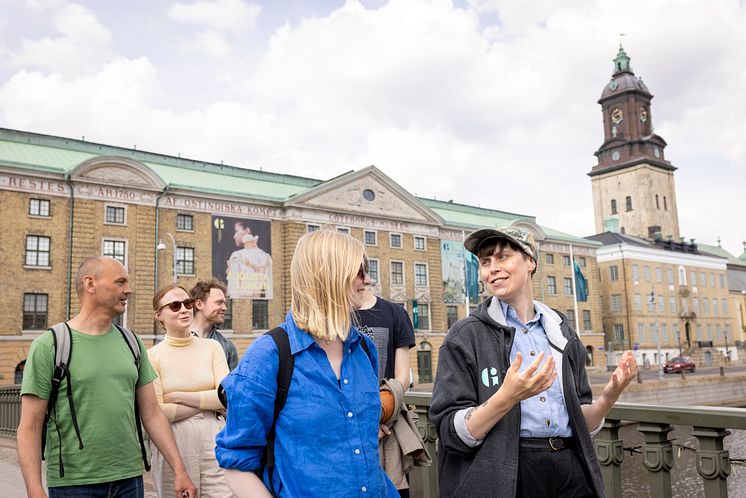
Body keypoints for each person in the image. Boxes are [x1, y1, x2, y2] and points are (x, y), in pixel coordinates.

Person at [430, 226, 638, 498]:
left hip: (569, 470)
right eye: (485, 262)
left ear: (530, 262)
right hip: (507, 476)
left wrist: (609, 397)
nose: (492, 268)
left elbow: (580, 422)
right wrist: (506, 397)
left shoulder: (563, 332)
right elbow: (449, 432)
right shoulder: (465, 336)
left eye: (502, 257)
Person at [215, 230, 398, 497]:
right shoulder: (269, 355)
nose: (367, 280)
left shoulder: (363, 348)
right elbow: (236, 462)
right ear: (329, 274)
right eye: (360, 270)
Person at [17, 256, 196, 498]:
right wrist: (34, 490)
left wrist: (179, 469)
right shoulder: (50, 345)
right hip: (74, 484)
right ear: (90, 284)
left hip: (130, 480)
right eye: (120, 282)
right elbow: (30, 427)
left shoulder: (132, 343)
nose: (129, 290)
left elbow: (152, 413)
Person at [149, 284, 232, 498]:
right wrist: (206, 404)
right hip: (173, 443)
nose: (184, 309)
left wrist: (178, 396)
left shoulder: (212, 348)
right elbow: (157, 412)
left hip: (215, 439)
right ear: (159, 314)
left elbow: (227, 397)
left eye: (187, 304)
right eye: (175, 306)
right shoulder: (152, 356)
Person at [356, 285, 419, 497]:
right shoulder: (332, 315)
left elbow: (402, 378)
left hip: (387, 425)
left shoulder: (395, 313)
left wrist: (380, 412)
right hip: (349, 428)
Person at [190, 279, 239, 371]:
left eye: (224, 303)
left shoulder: (227, 347)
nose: (224, 308)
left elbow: (233, 384)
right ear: (199, 304)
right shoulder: (175, 341)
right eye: (219, 303)